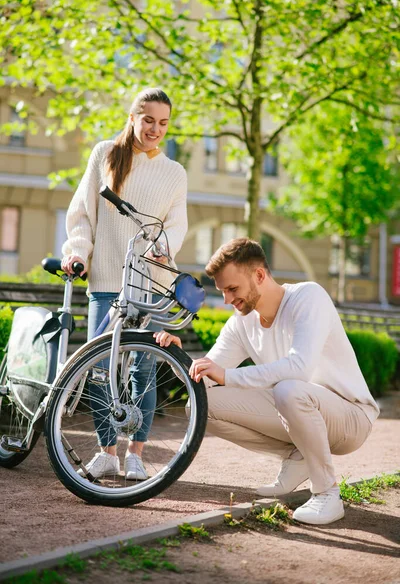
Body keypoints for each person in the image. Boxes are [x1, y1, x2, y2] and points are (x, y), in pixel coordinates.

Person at [154, 237, 379, 525]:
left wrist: (230, 376)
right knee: (199, 405)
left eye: (232, 289)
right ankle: (299, 457)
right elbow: (207, 378)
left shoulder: (308, 297)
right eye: (222, 291)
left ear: (259, 275)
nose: (226, 300)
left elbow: (299, 367)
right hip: (296, 408)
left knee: (289, 389)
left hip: (350, 417)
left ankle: (327, 494)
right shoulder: (241, 322)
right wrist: (178, 357)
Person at [61, 88, 188, 481]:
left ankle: (134, 453)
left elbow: (176, 223)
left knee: (142, 369)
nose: (155, 129)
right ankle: (105, 450)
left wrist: (164, 249)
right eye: (148, 119)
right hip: (105, 278)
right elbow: (83, 210)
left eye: (163, 123)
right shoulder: (105, 154)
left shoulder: (174, 173)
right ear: (133, 116)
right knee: (100, 366)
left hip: (149, 281)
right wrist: (79, 251)